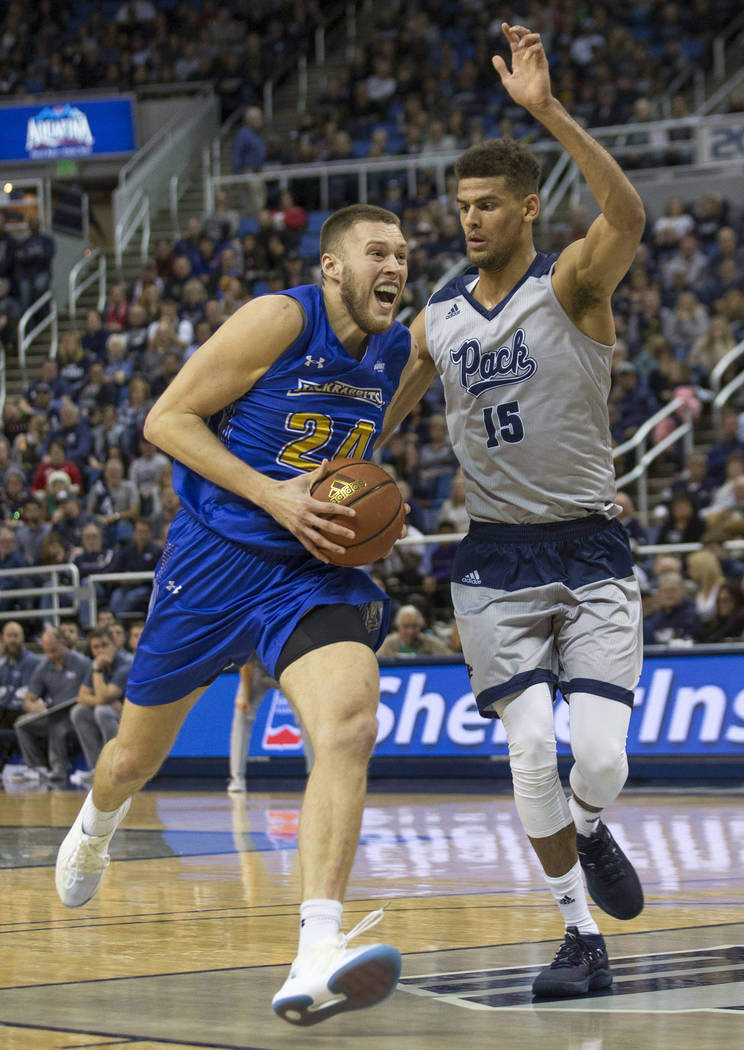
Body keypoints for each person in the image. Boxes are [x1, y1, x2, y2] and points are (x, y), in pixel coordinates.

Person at [55, 203, 411, 1026]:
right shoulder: (278, 319)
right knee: (129, 760)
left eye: (401, 254)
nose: (393, 267)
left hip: (309, 571)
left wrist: (360, 511)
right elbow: (165, 419)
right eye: (375, 253)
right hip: (215, 562)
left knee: (351, 726)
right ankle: (98, 824)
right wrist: (272, 496)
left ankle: (316, 950)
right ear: (331, 266)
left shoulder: (397, 348)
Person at [383, 23, 646, 999]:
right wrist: (353, 460)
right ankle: (579, 936)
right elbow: (397, 396)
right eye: (461, 207)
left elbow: (628, 215)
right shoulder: (438, 317)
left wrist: (547, 110)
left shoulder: (572, 284)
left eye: (489, 204)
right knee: (530, 747)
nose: (470, 220)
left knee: (603, 758)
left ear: (530, 208)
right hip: (491, 557)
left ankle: (587, 829)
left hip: (589, 544)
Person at [13, 628, 90, 785]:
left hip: (79, 714)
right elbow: (28, 700)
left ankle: (58, 769)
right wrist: (35, 707)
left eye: (53, 650)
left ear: (63, 643)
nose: (50, 655)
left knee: (57, 724)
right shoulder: (43, 667)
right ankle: (37, 768)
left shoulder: (82, 663)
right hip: (54, 713)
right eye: (46, 651)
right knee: (22, 724)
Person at [70, 628, 133, 787]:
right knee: (79, 712)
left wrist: (97, 670)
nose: (100, 650)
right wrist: (105, 700)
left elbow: (104, 696)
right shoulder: (96, 663)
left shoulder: (126, 663)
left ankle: (112, 766)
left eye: (104, 645)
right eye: (95, 647)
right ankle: (96, 769)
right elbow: (81, 697)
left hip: (133, 719)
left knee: (102, 711)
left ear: (115, 645)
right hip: (115, 713)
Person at [0, 621, 42, 770]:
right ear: (2, 638)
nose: (12, 639)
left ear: (23, 638)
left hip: (21, 711)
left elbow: (31, 696)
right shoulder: (2, 664)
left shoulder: (33, 662)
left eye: (16, 635)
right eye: (9, 636)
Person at [376, 604, 450, 659]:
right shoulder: (387, 645)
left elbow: (451, 660)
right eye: (406, 626)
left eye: (414, 626)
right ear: (398, 626)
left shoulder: (433, 643)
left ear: (420, 626)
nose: (410, 631)